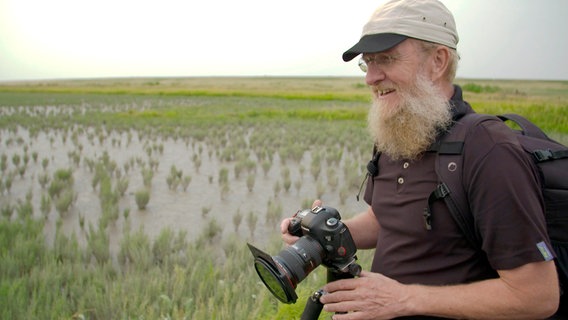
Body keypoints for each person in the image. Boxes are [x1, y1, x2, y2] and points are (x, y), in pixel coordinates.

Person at [280, 0, 560, 319]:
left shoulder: (487, 149)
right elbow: (385, 219)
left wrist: (404, 299)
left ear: (437, 61)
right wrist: (324, 234)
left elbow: (537, 295)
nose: (370, 77)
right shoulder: (400, 130)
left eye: (385, 59)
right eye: (367, 63)